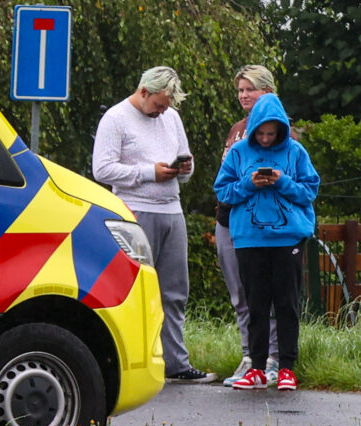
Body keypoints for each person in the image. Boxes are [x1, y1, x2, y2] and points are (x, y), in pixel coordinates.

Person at [91, 66, 210, 384]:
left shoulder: (171, 117)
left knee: (174, 291)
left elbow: (185, 163)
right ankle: (128, 363)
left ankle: (175, 362)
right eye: (158, 105)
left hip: (172, 210)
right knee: (132, 288)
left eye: (166, 106)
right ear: (143, 92)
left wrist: (184, 167)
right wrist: (148, 172)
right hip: (136, 211)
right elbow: (101, 169)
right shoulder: (116, 118)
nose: (161, 112)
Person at [214, 89, 320, 392]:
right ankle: (256, 368)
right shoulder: (237, 153)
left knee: (286, 303)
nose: (264, 139)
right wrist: (249, 183)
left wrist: (281, 181)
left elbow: (309, 191)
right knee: (256, 304)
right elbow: (223, 192)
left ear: (280, 131)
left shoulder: (296, 153)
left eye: (271, 133)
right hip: (249, 238)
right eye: (260, 133)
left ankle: (286, 367)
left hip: (287, 238)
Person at [215, 64, 278, 377]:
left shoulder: (280, 132)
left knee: (266, 293)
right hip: (229, 218)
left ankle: (273, 356)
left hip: (263, 223)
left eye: (249, 89)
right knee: (239, 293)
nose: (243, 95)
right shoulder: (236, 129)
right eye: (240, 90)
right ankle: (249, 355)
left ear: (266, 91)